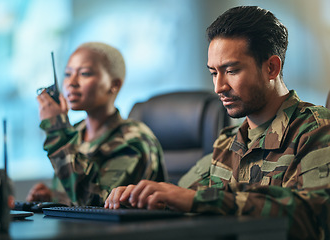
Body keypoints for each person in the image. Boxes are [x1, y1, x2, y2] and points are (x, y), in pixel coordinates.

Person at [105, 6, 330, 239]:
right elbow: (179, 196)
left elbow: (313, 216)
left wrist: (195, 199)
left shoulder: (316, 130)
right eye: (214, 73)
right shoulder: (227, 144)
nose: (218, 87)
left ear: (271, 67)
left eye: (231, 71)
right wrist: (142, 199)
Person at [26, 42, 167, 206]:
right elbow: (76, 196)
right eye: (67, 74)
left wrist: (57, 129)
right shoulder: (76, 131)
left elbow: (98, 204)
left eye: (84, 74)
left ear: (114, 85)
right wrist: (56, 196)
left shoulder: (135, 140)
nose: (71, 82)